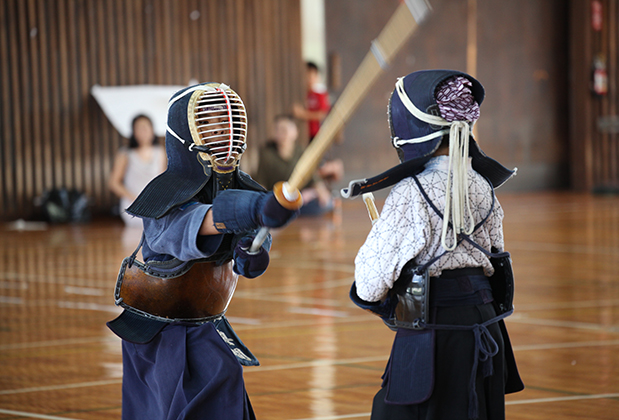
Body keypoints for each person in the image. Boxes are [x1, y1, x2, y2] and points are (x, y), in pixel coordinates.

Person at [106, 83, 301, 420]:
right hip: (157, 336)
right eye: (210, 123)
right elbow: (198, 222)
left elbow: (249, 247)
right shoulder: (165, 198)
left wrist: (251, 253)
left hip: (204, 326)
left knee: (222, 393)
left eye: (227, 123)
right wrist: (255, 209)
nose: (222, 132)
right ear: (185, 131)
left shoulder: (243, 191)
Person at [344, 70, 524, 420]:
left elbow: (368, 284)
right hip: (487, 327)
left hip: (434, 334)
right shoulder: (482, 186)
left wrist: (386, 296)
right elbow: (495, 257)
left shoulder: (410, 192)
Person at [256, 115, 333, 216]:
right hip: (278, 200)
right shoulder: (266, 154)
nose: (282, 133)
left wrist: (320, 192)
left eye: (285, 129)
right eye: (278, 129)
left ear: (295, 132)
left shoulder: (302, 153)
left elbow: (314, 179)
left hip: (301, 200)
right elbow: (261, 182)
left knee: (326, 204)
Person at [108, 114, 167, 227]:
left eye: (146, 127)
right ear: (134, 132)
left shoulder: (160, 152)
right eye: (139, 128)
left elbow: (163, 181)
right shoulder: (125, 154)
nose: (143, 131)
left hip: (154, 204)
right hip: (132, 203)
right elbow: (114, 183)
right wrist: (135, 199)